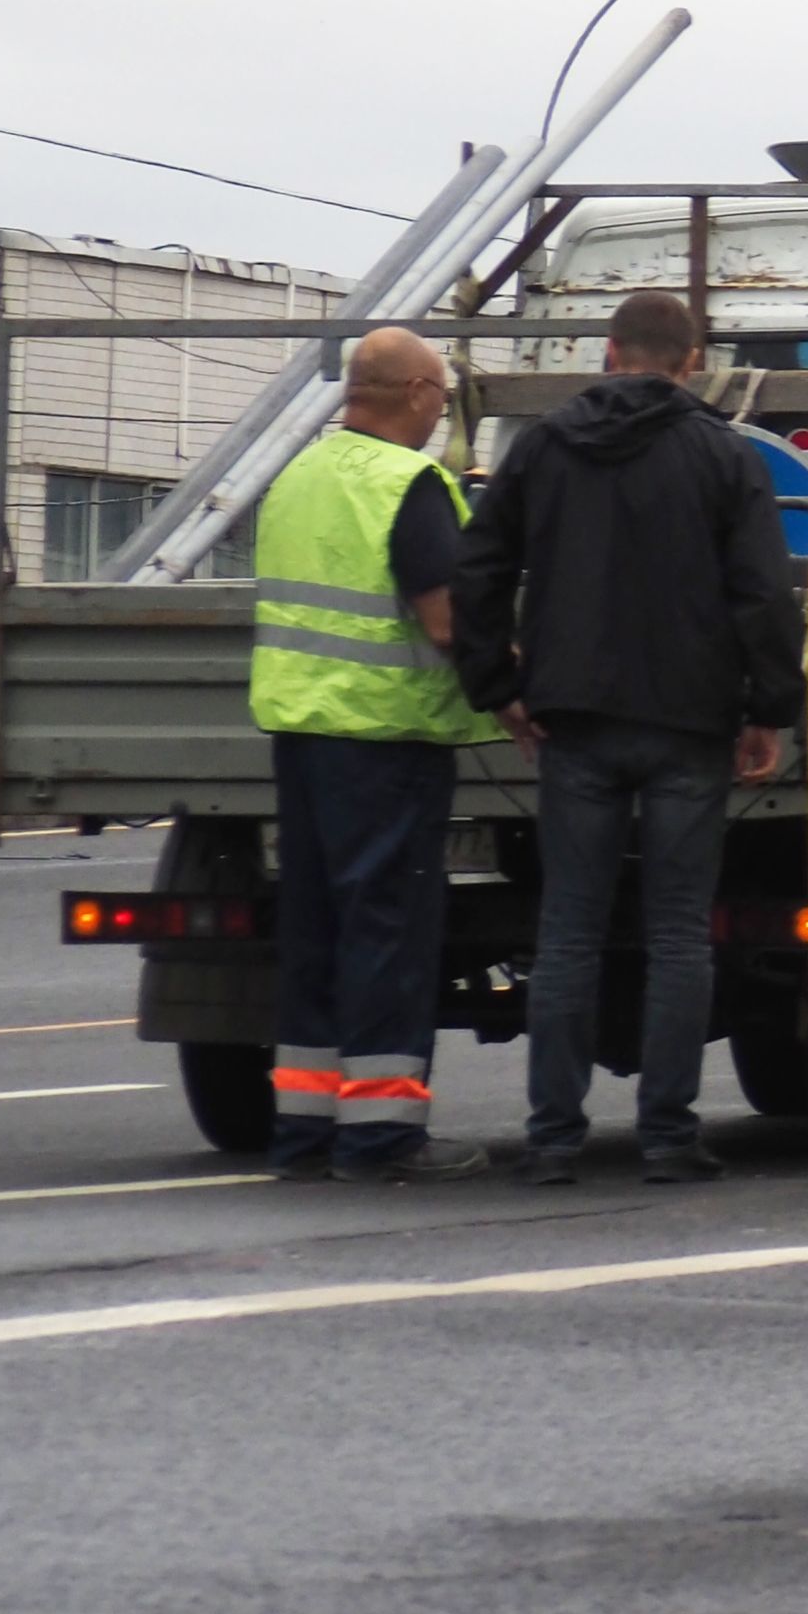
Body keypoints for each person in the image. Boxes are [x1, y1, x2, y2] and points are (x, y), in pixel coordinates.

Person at [450, 287, 803, 1186]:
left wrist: (498, 685)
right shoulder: (723, 457)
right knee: (680, 933)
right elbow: (761, 592)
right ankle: (668, 1136)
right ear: (692, 362)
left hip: (574, 719)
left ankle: (555, 1139)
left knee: (568, 931)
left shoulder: (544, 449)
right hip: (690, 722)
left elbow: (481, 567)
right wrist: (770, 710)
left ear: (608, 352)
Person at [244, 326, 497, 1183]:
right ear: (420, 394)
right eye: (442, 395)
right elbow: (444, 621)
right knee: (385, 932)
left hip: (302, 734)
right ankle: (382, 1137)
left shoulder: (298, 474)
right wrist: (518, 686)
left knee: (314, 930)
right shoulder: (408, 484)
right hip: (384, 740)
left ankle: (304, 1132)